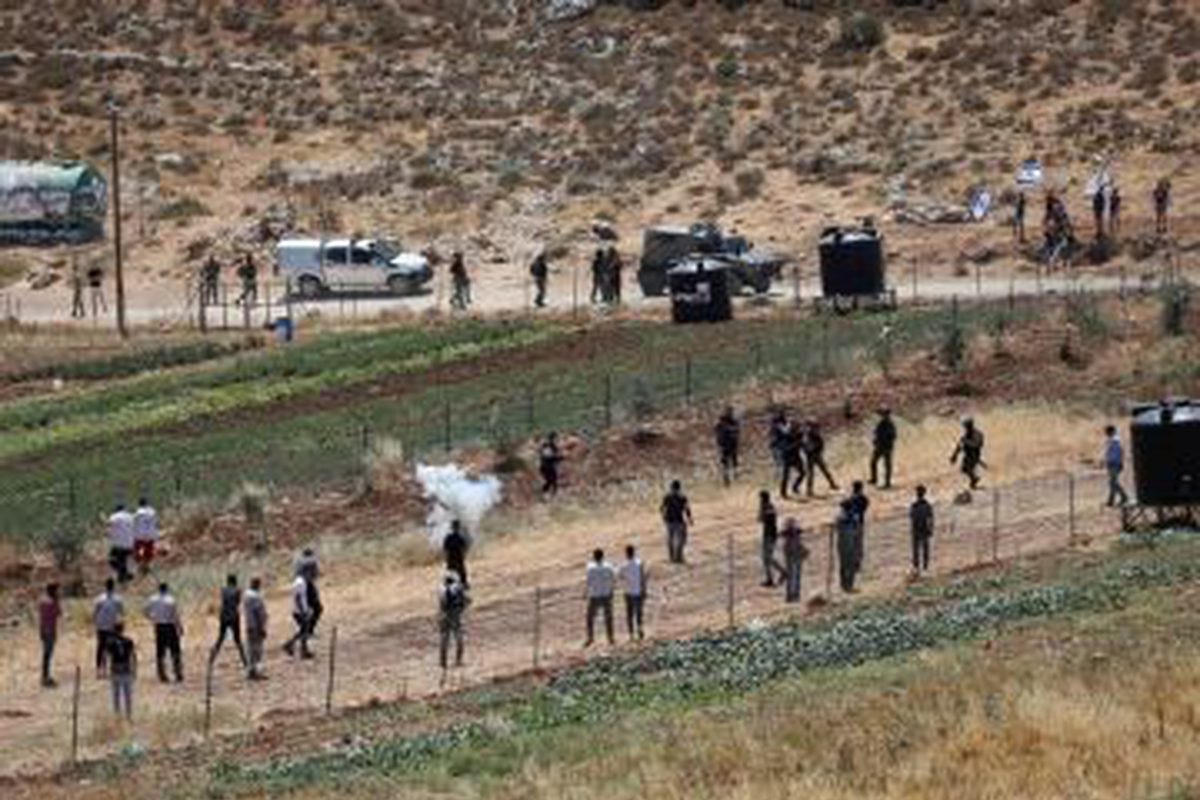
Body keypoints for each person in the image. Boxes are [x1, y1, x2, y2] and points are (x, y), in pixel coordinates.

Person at [144, 582, 183, 683]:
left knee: (160, 651)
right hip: (170, 626)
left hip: (159, 626)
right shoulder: (171, 600)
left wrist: (152, 618)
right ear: (166, 589)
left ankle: (162, 674)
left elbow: (145, 611)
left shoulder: (152, 599)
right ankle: (178, 672)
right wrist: (180, 627)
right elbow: (175, 616)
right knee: (175, 650)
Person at [211, 574, 248, 668]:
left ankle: (212, 658)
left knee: (220, 638)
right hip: (234, 616)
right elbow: (237, 602)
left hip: (224, 615)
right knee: (238, 640)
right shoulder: (238, 590)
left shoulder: (223, 590)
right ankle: (245, 661)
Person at [584, 549, 616, 647]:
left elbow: (588, 581)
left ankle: (590, 637)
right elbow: (613, 579)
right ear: (602, 556)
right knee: (608, 617)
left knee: (590, 617)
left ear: (594, 556)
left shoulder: (590, 567)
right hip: (606, 594)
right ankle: (610, 637)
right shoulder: (609, 566)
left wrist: (586, 592)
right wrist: (611, 590)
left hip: (595, 595)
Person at [93, 578, 124, 677]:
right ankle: (112, 669)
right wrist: (121, 625)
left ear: (105, 586)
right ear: (113, 586)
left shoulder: (99, 599)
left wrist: (96, 623)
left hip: (102, 627)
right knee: (113, 649)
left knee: (101, 648)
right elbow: (121, 613)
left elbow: (95, 613)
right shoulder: (118, 599)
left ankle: (100, 670)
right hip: (112, 627)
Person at [438, 573, 470, 671]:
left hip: (443, 616)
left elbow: (442, 603)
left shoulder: (441, 589)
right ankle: (458, 660)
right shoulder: (457, 588)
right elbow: (466, 601)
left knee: (444, 639)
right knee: (458, 638)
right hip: (454, 616)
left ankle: (443, 662)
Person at [106, 622, 137, 720]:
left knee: (116, 694)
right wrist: (134, 669)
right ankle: (128, 715)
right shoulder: (129, 641)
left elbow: (106, 656)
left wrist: (105, 669)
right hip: (126, 669)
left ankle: (117, 715)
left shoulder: (110, 642)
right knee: (127, 694)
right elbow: (133, 656)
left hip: (115, 669)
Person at [283, 571, 314, 660]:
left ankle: (300, 649)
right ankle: (292, 645)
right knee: (304, 630)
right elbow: (298, 598)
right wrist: (303, 611)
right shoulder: (300, 583)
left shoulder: (299, 581)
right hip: (299, 611)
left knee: (303, 630)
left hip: (299, 610)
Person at [802, 419, 839, 496]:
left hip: (815, 455)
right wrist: (813, 451)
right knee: (814, 473)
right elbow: (806, 447)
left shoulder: (811, 434)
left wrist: (817, 450)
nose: (817, 429)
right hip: (812, 456)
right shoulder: (807, 435)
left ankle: (831, 484)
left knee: (822, 471)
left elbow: (820, 444)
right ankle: (809, 490)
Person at [660, 480, 693, 564]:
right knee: (682, 539)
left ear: (671, 488)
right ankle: (678, 556)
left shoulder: (667, 497)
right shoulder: (682, 497)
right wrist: (689, 518)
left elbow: (661, 508)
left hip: (669, 521)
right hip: (678, 520)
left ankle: (672, 557)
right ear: (679, 488)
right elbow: (687, 509)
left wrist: (663, 517)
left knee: (670, 539)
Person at [618, 545, 646, 641]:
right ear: (634, 552)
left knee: (629, 614)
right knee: (639, 613)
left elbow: (620, 576)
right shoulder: (639, 563)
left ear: (626, 553)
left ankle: (631, 633)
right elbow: (643, 578)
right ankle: (640, 629)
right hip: (638, 591)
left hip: (628, 591)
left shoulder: (623, 565)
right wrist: (644, 590)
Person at [951, 417, 986, 490]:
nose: (965, 428)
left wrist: (967, 442)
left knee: (968, 468)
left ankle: (974, 480)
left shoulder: (977, 434)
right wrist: (954, 456)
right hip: (968, 455)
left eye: (966, 426)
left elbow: (977, 444)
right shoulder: (967, 435)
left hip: (974, 454)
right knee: (964, 469)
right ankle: (974, 479)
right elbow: (960, 446)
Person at [244, 577, 269, 680]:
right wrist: (263, 627)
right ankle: (257, 672)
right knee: (258, 650)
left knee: (250, 650)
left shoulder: (246, 596)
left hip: (249, 626)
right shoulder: (257, 598)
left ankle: (250, 671)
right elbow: (260, 615)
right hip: (256, 627)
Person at [758, 491, 785, 587]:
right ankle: (779, 573)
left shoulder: (768, 508)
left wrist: (762, 511)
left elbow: (762, 519)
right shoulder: (768, 507)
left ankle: (772, 577)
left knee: (767, 558)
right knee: (767, 558)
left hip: (769, 535)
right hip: (769, 535)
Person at [780, 517, 809, 603]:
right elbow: (791, 549)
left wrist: (803, 552)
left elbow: (799, 547)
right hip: (793, 559)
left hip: (795, 558)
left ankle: (794, 596)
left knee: (795, 577)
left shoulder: (793, 538)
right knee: (793, 577)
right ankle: (792, 596)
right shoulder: (790, 539)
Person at [835, 499, 861, 593]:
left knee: (847, 565)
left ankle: (847, 584)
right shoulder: (845, 517)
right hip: (847, 543)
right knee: (847, 565)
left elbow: (857, 530)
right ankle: (846, 584)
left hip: (847, 543)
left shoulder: (850, 517)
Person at [38, 583, 61, 688]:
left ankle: (45, 675)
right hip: (50, 631)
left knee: (46, 654)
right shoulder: (52, 602)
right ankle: (45, 677)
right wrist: (57, 601)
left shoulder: (42, 601)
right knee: (48, 654)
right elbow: (58, 613)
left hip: (43, 629)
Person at [1103, 424, 1130, 507]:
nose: (1106, 433)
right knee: (1112, 482)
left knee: (1113, 482)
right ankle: (1111, 501)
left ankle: (1124, 497)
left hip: (1114, 463)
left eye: (1107, 432)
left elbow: (1120, 452)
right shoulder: (1111, 440)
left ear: (1111, 432)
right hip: (1112, 463)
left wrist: (1120, 462)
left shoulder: (1115, 440)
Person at [779, 418, 806, 499]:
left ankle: (795, 486)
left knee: (802, 473)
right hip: (786, 457)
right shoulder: (785, 435)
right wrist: (796, 444)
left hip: (795, 456)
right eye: (794, 426)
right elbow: (785, 448)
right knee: (785, 476)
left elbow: (802, 444)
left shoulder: (799, 434)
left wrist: (803, 445)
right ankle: (783, 493)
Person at [107, 503, 135, 583]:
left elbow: (109, 526)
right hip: (130, 543)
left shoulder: (114, 516)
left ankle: (123, 575)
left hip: (119, 544)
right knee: (122, 559)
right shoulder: (130, 516)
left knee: (112, 559)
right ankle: (126, 574)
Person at [909, 485, 934, 574]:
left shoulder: (914, 505)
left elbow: (912, 517)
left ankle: (917, 566)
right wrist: (930, 529)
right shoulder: (927, 505)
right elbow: (931, 518)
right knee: (924, 549)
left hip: (917, 529)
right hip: (923, 528)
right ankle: (924, 567)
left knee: (916, 550)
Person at [870, 408, 897, 489]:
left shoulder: (889, 424)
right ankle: (874, 479)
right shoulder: (882, 423)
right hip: (880, 446)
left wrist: (885, 442)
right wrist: (876, 441)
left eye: (884, 414)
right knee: (873, 462)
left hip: (886, 447)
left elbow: (893, 436)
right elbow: (877, 434)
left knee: (886, 465)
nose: (882, 416)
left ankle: (887, 482)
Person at [714, 406, 740, 486]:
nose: (730, 414)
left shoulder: (733, 421)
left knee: (733, 461)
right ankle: (726, 478)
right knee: (725, 463)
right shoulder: (721, 423)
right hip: (724, 445)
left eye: (731, 412)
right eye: (729, 412)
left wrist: (733, 431)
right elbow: (717, 432)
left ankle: (735, 475)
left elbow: (737, 431)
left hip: (732, 445)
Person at [133, 498, 159, 574]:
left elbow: (133, 524)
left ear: (140, 504)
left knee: (138, 550)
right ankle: (146, 565)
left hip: (140, 536)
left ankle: (142, 565)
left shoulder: (138, 513)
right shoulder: (153, 512)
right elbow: (156, 523)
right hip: (151, 535)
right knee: (149, 551)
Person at [443, 520, 470, 588]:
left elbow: (445, 548)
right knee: (456, 571)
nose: (456, 529)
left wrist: (446, 557)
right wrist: (463, 555)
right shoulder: (458, 537)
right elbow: (464, 547)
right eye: (456, 527)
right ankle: (461, 583)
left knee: (455, 571)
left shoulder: (450, 537)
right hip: (455, 556)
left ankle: (453, 583)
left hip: (454, 556)